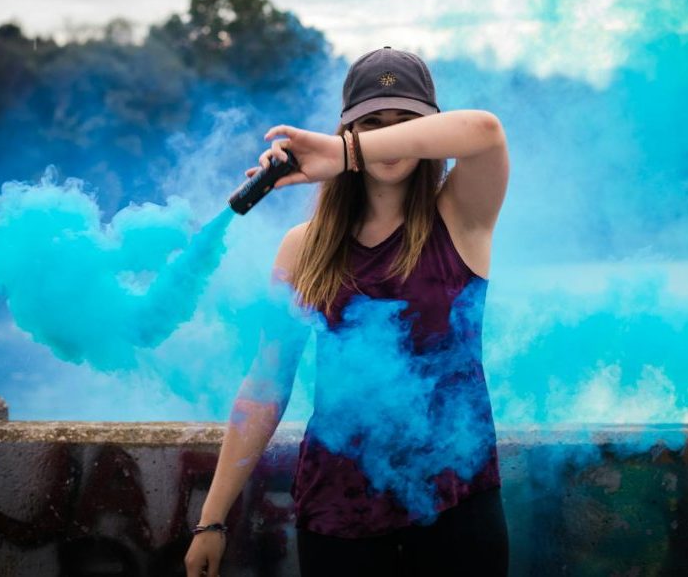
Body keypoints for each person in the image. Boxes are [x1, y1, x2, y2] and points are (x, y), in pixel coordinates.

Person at [185, 46, 510, 577]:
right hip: (338, 516)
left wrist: (346, 152)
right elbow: (266, 385)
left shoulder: (461, 217)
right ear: (346, 127)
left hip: (458, 506)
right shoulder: (302, 247)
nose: (386, 139)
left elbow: (486, 131)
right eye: (371, 122)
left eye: (404, 124)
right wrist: (212, 520)